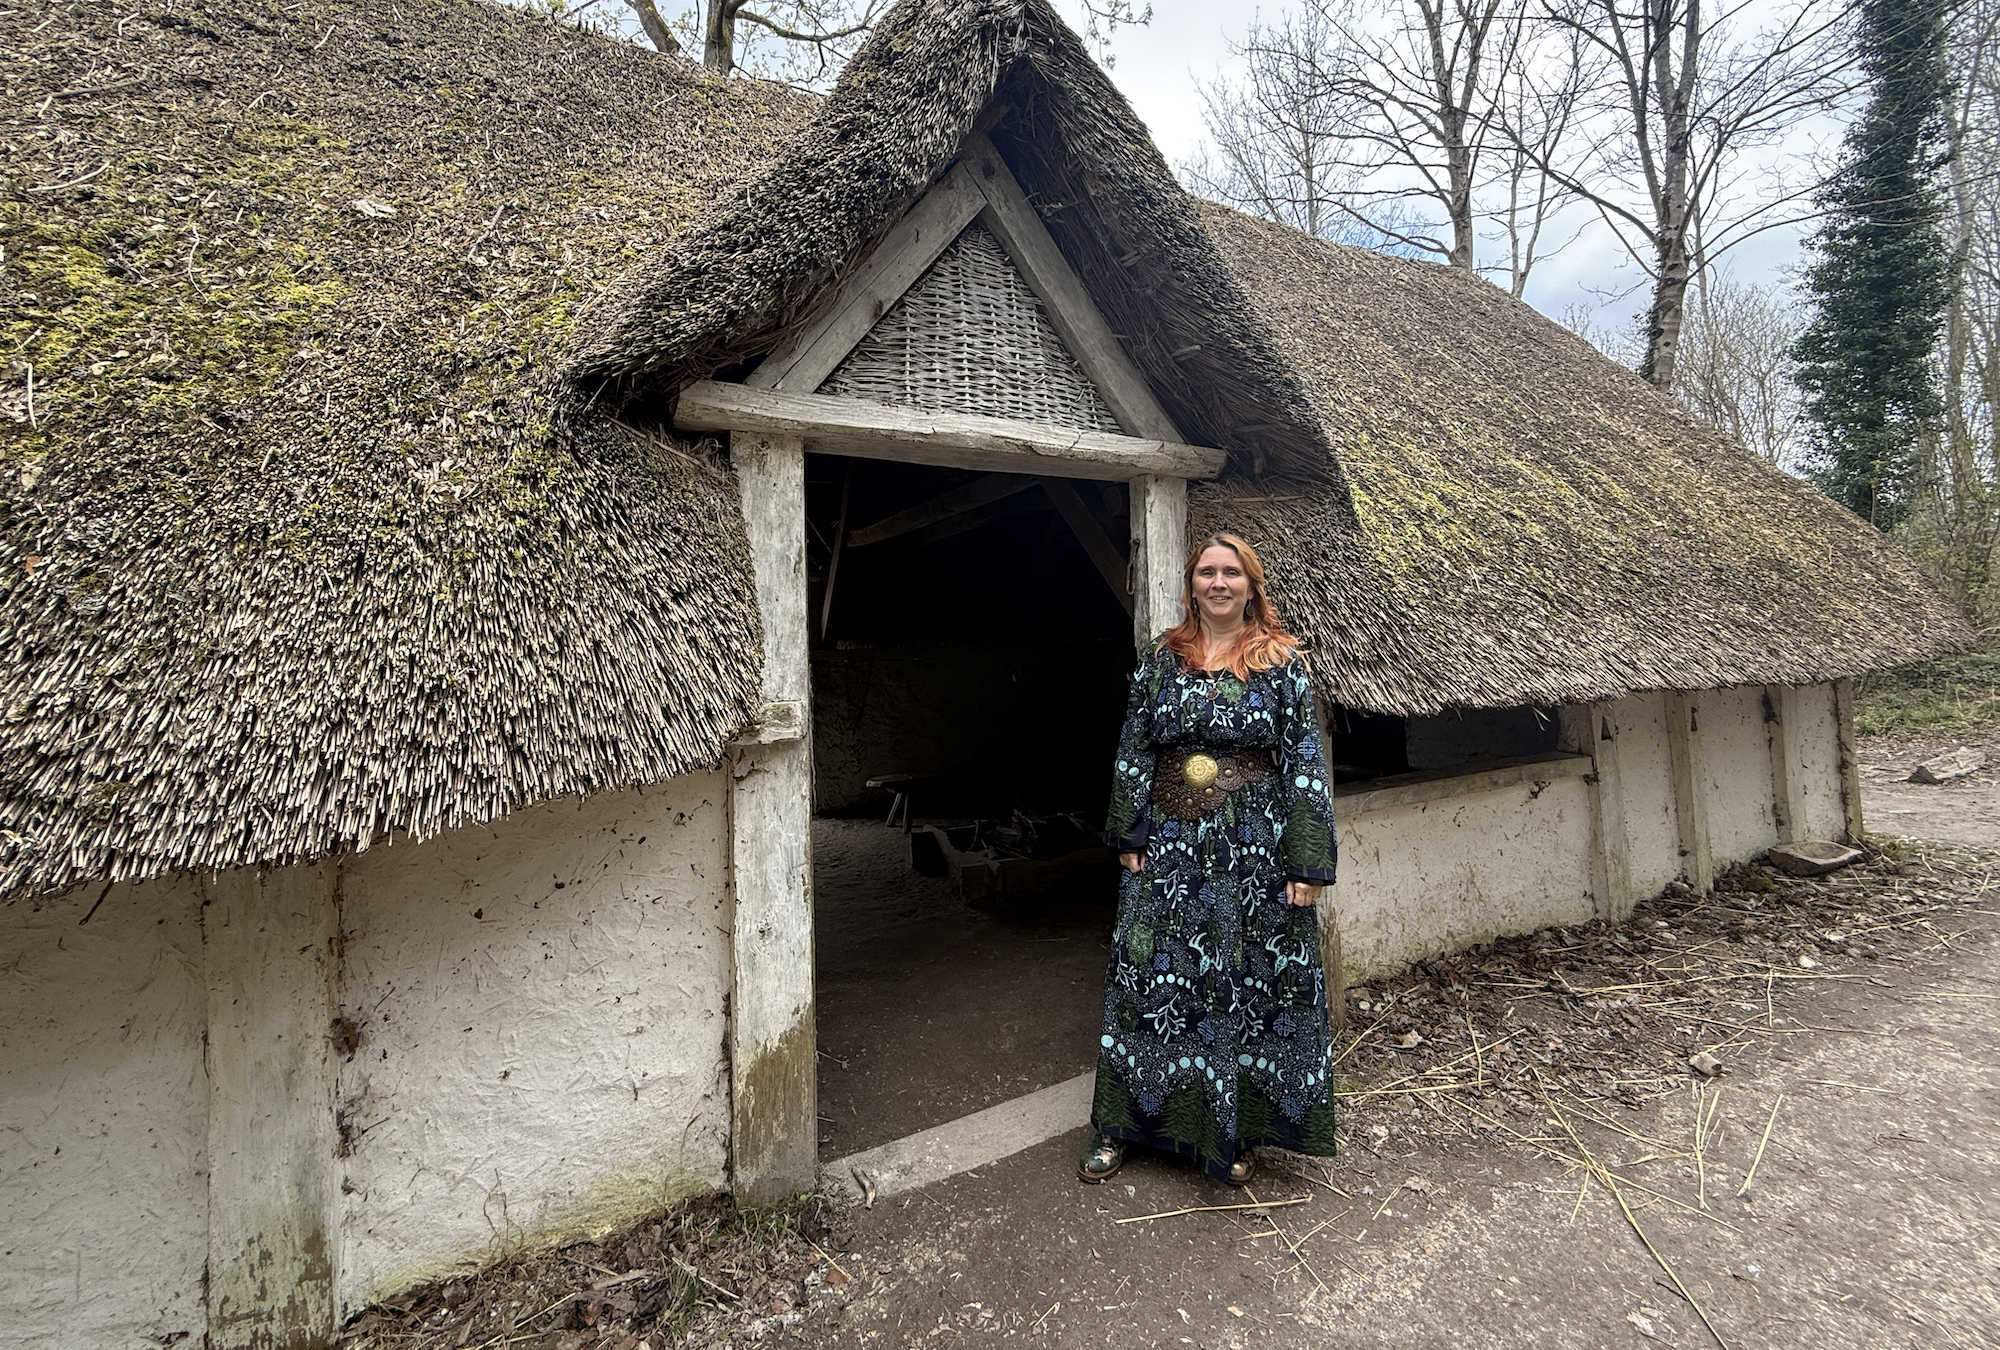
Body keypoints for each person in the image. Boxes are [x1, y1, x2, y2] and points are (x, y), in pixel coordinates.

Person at [1079, 533, 1339, 1187]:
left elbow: (1305, 763)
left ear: (1251, 586)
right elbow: (1134, 744)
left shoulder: (1280, 663)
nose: (1218, 583)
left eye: (1231, 573)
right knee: (1147, 980)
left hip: (1252, 852)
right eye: (1206, 573)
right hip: (1168, 847)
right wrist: (1128, 832)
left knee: (1240, 985)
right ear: (1192, 584)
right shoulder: (1161, 659)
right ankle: (1121, 1128)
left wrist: (1307, 862)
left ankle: (1234, 1131)